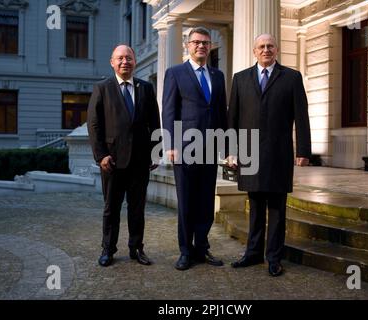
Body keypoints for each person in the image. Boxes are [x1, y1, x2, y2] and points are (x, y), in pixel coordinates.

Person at [227, 34, 311, 277]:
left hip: (279, 153)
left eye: (270, 46)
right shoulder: (240, 78)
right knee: (254, 206)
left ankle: (274, 257)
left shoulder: (292, 77)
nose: (266, 50)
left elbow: (301, 117)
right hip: (250, 153)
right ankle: (253, 253)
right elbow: (232, 117)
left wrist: (304, 151)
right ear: (254, 51)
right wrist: (232, 150)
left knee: (276, 208)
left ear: (277, 49)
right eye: (261, 47)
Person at [87, 44, 161, 267]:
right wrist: (101, 156)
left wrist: (155, 154)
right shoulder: (102, 88)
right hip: (112, 161)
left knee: (137, 208)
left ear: (135, 61)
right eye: (119, 58)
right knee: (111, 208)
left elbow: (154, 123)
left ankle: (136, 249)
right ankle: (108, 249)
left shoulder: (146, 88)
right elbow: (94, 124)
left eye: (128, 58)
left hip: (140, 162)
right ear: (112, 62)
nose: (124, 62)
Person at [162, 27, 228, 270]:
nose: (201, 46)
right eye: (197, 42)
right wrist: (170, 145)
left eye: (206, 43)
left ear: (210, 46)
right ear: (187, 46)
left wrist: (227, 147)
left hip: (210, 148)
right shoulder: (175, 73)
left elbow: (222, 112)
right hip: (185, 148)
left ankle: (202, 247)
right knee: (187, 202)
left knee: (205, 201)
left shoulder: (218, 75)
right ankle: (185, 251)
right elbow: (169, 110)